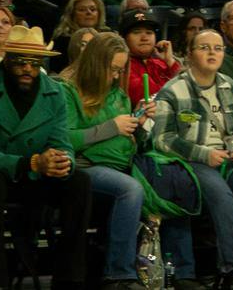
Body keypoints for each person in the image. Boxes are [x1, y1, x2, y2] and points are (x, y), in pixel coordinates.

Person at [148, 28, 233, 290]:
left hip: (230, 157)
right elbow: (162, 139)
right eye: (204, 47)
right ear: (190, 55)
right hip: (193, 161)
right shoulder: (173, 91)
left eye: (217, 48)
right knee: (220, 194)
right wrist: (204, 154)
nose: (212, 53)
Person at [0, 26, 93, 288]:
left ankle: (69, 278)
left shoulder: (54, 92)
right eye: (21, 62)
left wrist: (63, 162)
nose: (28, 68)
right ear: (7, 59)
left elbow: (61, 141)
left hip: (37, 175)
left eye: (35, 62)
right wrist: (30, 162)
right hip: (3, 173)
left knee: (79, 182)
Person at [63, 31, 147, 290]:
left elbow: (131, 140)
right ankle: (119, 275)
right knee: (130, 189)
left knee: (169, 179)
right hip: (86, 167)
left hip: (123, 163)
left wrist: (141, 125)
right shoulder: (66, 89)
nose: (115, 77)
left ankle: (176, 269)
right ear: (96, 63)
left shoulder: (118, 94)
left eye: (120, 71)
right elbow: (65, 138)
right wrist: (112, 127)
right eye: (112, 69)